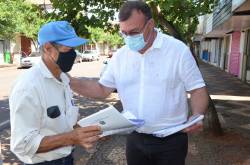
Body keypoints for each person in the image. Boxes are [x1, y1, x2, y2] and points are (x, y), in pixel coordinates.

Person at [70, 1, 209, 165]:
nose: (129, 38)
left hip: (171, 140)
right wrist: (69, 81)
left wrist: (197, 115)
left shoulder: (177, 51)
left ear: (150, 24)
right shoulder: (121, 56)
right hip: (135, 138)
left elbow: (197, 89)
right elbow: (101, 89)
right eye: (124, 33)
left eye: (134, 32)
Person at [9, 21, 101, 165]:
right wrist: (72, 138)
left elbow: (63, 124)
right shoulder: (28, 86)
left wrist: (86, 132)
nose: (73, 53)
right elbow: (22, 144)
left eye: (74, 48)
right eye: (67, 48)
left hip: (67, 159)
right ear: (48, 48)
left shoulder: (63, 78)